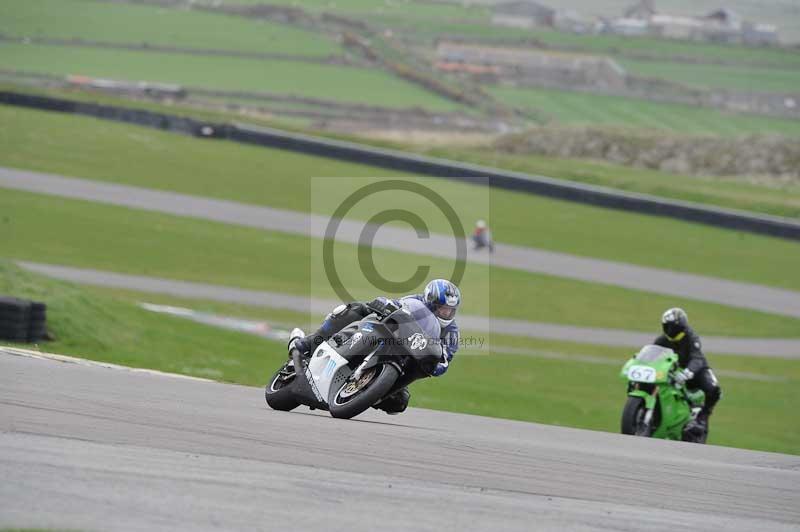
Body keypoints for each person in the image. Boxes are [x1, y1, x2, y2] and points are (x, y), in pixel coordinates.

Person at [287, 279, 461, 414]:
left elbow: (445, 360)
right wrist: (382, 303)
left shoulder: (451, 333)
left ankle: (364, 393)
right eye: (441, 308)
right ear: (430, 301)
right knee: (355, 309)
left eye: (450, 310)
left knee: (399, 403)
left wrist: (436, 364)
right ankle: (308, 343)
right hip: (389, 337)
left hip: (406, 360)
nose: (446, 313)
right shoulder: (415, 301)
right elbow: (393, 304)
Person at [654, 308, 722, 437]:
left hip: (696, 371)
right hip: (674, 372)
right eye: (667, 326)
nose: (669, 330)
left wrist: (688, 372)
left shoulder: (691, 337)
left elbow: (697, 358)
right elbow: (652, 354)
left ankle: (703, 417)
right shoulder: (662, 340)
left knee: (714, 389)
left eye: (672, 326)